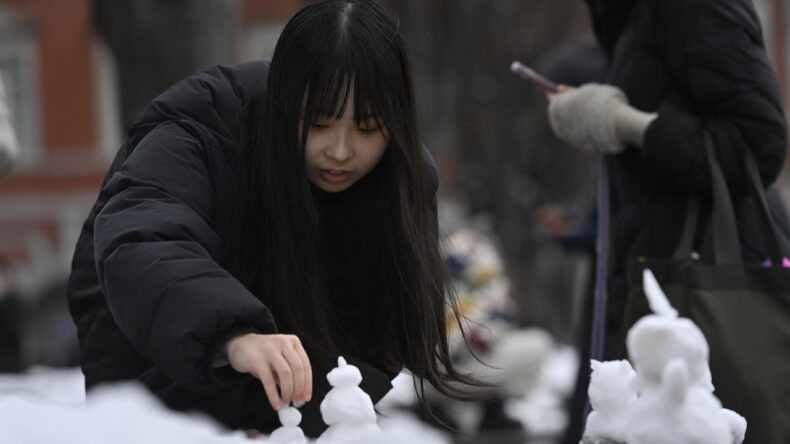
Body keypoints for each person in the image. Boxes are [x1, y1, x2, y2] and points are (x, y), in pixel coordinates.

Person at [66, 0, 479, 436]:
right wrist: (232, 337)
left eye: (367, 128)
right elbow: (144, 241)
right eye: (319, 124)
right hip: (157, 372)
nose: (341, 151)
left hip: (291, 404)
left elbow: (376, 340)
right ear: (284, 102)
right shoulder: (198, 132)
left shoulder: (402, 178)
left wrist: (303, 420)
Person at [546, 0, 787, 361]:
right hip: (664, 283)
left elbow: (758, 144)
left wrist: (623, 123)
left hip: (708, 294)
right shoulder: (630, 13)